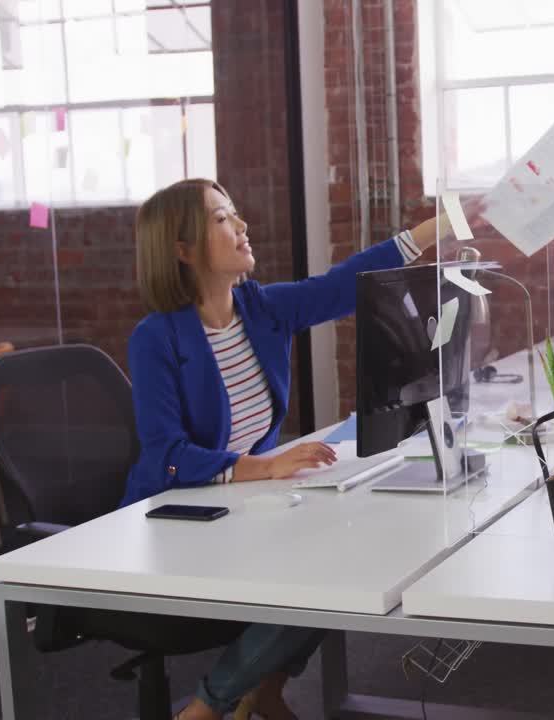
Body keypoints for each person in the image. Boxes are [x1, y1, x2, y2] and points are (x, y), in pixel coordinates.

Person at [123, 178, 456, 719]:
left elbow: (345, 284)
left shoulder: (259, 310)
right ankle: (208, 707)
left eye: (235, 213)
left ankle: (265, 686)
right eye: (222, 218)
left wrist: (444, 225)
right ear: (181, 250)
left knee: (347, 549)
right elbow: (167, 456)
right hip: (174, 523)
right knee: (318, 570)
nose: (242, 225)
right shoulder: (156, 338)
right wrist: (265, 466)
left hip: (241, 514)